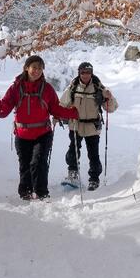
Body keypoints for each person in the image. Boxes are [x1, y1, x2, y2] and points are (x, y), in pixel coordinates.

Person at [0, 55, 79, 200]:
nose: (37, 71)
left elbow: (55, 109)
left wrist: (72, 113)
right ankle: (26, 192)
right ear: (26, 68)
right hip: (22, 134)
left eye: (40, 68)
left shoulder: (47, 89)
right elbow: (4, 111)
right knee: (24, 165)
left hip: (42, 133)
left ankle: (42, 193)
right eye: (34, 67)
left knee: (38, 162)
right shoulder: (15, 88)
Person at [59, 61, 118, 191]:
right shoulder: (73, 88)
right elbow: (62, 104)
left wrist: (109, 97)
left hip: (92, 126)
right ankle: (73, 174)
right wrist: (57, 115)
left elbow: (112, 108)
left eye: (88, 72)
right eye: (83, 72)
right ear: (79, 73)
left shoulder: (99, 88)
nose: (85, 75)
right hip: (75, 125)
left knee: (93, 154)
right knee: (73, 151)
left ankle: (94, 179)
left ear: (92, 73)